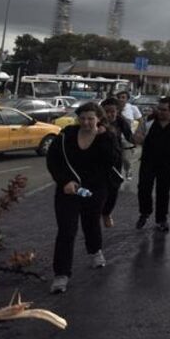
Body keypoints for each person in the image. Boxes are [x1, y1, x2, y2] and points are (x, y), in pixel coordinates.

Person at [46, 102, 122, 293]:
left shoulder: (107, 137)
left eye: (91, 118)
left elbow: (112, 161)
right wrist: (64, 181)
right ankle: (61, 274)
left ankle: (95, 250)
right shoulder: (66, 136)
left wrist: (103, 137)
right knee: (66, 230)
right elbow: (53, 160)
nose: (86, 122)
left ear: (98, 119)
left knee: (90, 223)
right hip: (69, 190)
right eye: (83, 118)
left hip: (95, 190)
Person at [132, 97, 170, 232]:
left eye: (164, 110)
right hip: (148, 161)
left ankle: (161, 219)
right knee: (143, 188)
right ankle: (145, 212)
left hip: (167, 163)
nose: (161, 112)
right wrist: (138, 137)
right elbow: (138, 135)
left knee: (163, 191)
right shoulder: (148, 121)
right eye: (159, 109)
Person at [99, 97, 132, 228]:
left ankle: (106, 213)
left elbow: (130, 137)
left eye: (113, 111)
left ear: (117, 111)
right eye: (107, 111)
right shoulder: (96, 122)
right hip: (98, 161)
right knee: (98, 190)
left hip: (115, 160)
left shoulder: (121, 121)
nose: (110, 114)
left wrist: (139, 139)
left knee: (113, 189)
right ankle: (94, 214)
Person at [116, 90, 141, 181]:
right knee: (115, 158)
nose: (121, 99)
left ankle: (128, 169)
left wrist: (138, 133)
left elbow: (140, 120)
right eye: (119, 97)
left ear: (127, 99)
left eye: (123, 97)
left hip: (126, 138)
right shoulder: (114, 108)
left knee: (125, 158)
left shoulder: (132, 108)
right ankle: (117, 175)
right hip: (115, 137)